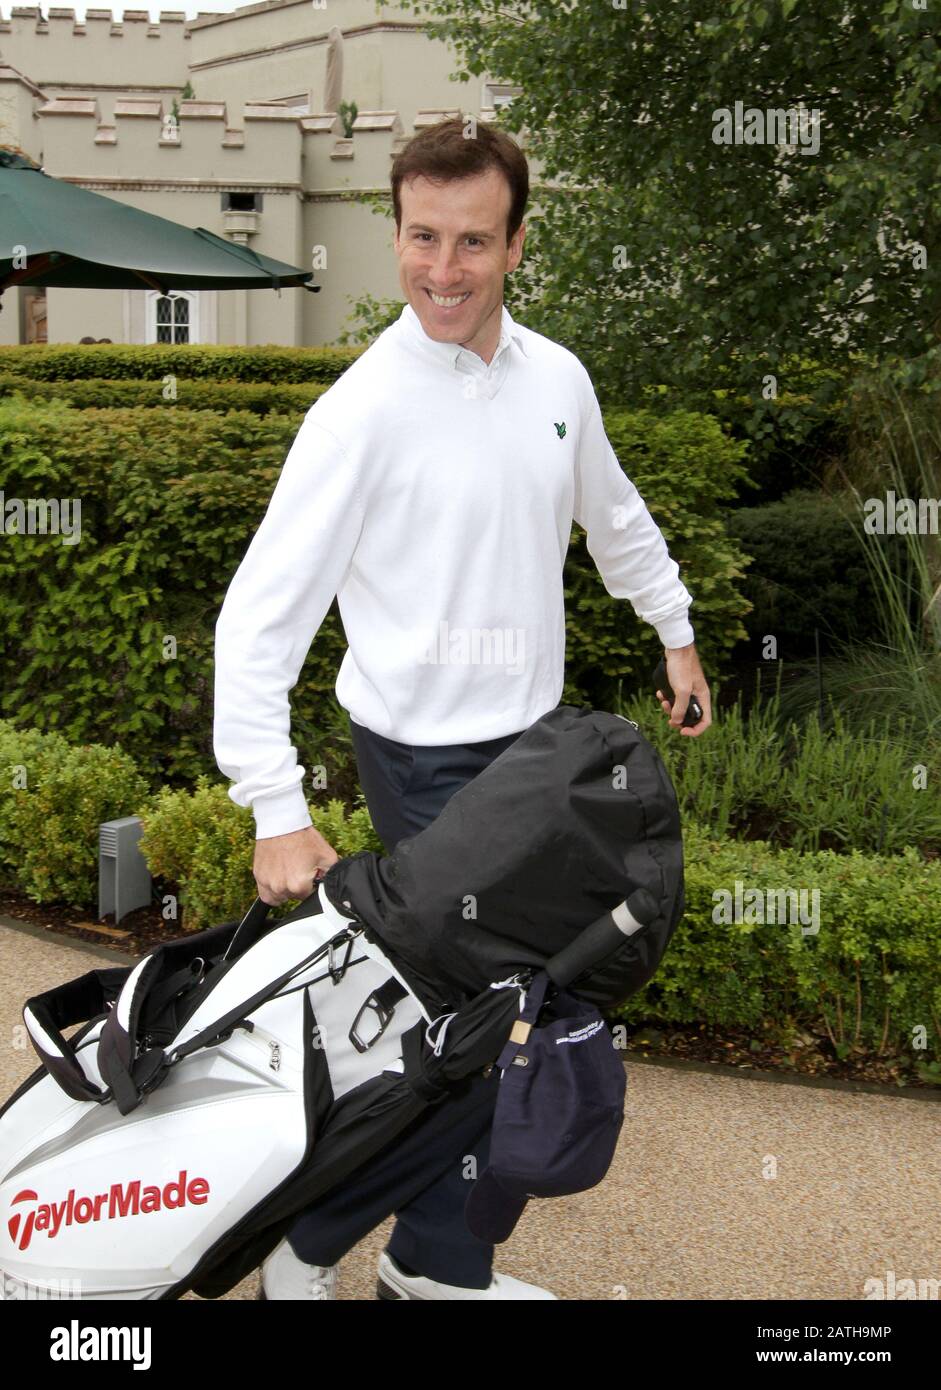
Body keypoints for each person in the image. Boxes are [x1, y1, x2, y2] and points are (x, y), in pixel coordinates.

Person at [213, 115, 712, 1302]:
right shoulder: (359, 412)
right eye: (421, 237)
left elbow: (616, 514)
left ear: (515, 244)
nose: (443, 269)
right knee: (482, 1038)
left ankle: (429, 1262)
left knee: (510, 1031)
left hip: (532, 755)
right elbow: (257, 622)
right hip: (423, 762)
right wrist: (275, 807)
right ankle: (322, 1240)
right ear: (392, 234)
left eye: (471, 241)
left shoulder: (557, 381)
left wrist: (675, 628)